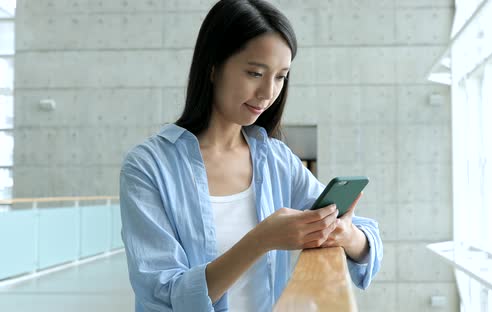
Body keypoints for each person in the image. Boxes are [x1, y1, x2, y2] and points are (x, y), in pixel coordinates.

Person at [119, 0, 383, 311]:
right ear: (213, 67)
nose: (268, 93)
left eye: (281, 76)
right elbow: (164, 293)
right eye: (255, 73)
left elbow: (368, 239)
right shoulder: (148, 167)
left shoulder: (275, 160)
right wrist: (261, 239)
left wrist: (345, 232)